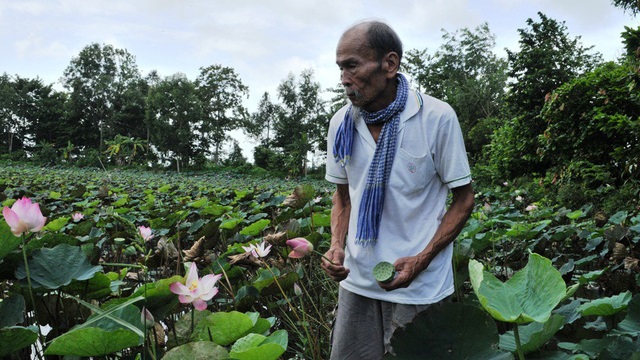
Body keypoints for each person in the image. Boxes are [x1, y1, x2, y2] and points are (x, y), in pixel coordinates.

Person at [321, 20, 475, 359]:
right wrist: (336, 246)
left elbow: (464, 200)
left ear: (389, 64)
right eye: (340, 68)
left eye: (352, 66)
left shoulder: (436, 117)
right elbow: (343, 196)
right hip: (357, 282)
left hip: (419, 286)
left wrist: (421, 261)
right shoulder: (341, 123)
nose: (344, 79)